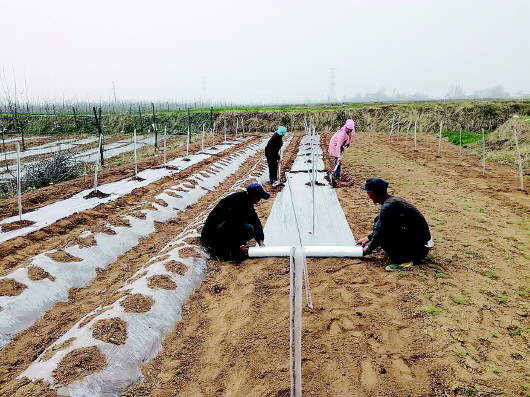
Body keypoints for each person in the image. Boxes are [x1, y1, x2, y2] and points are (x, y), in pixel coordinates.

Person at [357, 178, 433, 271]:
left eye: (368, 192)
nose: (368, 196)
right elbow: (383, 224)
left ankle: (403, 260)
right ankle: (405, 252)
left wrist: (369, 248)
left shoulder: (388, 207)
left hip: (417, 251)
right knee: (379, 220)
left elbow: (381, 232)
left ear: (372, 193)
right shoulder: (393, 201)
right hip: (420, 245)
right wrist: (369, 238)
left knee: (384, 235)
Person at [200, 183, 269, 261]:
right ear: (255, 197)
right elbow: (227, 228)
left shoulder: (246, 201)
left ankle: (230, 248)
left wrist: (260, 240)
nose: (259, 201)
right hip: (212, 236)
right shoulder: (234, 205)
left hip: (222, 229)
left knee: (250, 228)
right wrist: (236, 249)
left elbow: (255, 220)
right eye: (259, 198)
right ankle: (225, 251)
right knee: (247, 229)